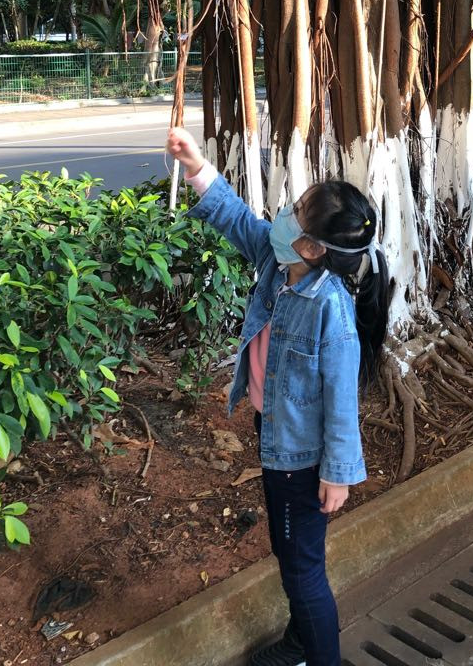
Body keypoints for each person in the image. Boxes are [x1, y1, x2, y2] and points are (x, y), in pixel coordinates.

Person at [166, 128, 390, 666]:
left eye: (296, 211)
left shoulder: (328, 311)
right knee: (293, 554)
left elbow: (340, 403)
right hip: (276, 436)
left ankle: (319, 655)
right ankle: (298, 643)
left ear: (312, 247)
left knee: (300, 567)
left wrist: (338, 472)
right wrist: (196, 165)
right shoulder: (280, 260)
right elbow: (239, 220)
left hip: (303, 461)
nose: (284, 213)